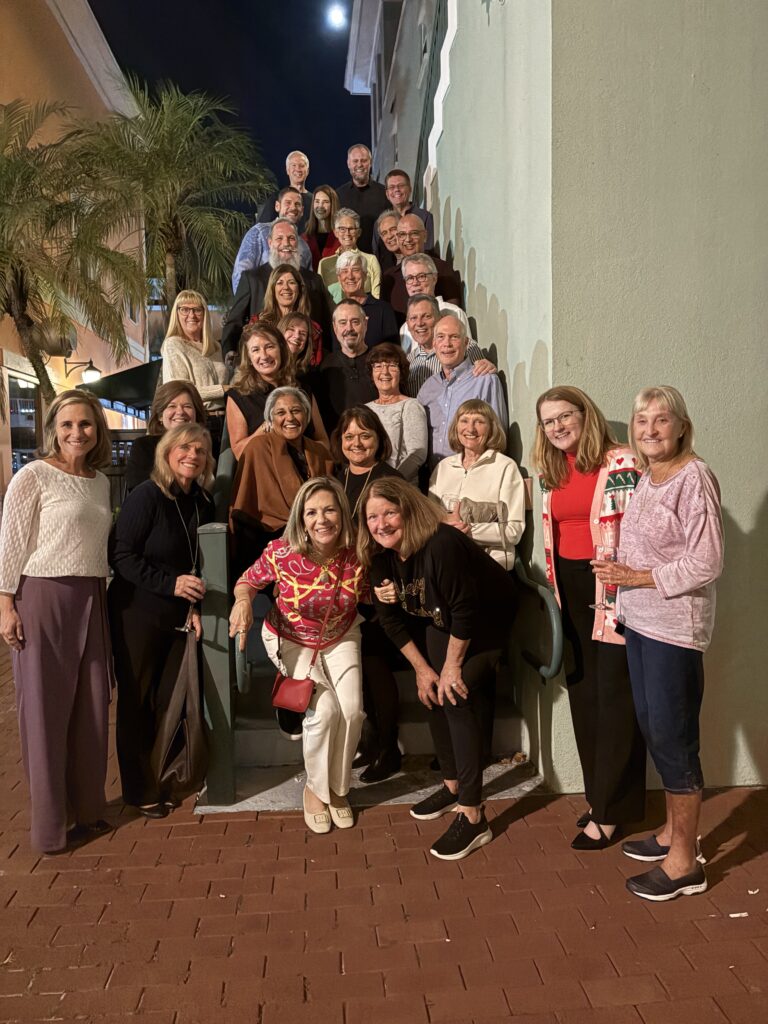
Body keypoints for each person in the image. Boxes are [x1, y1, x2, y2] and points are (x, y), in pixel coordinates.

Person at [593, 386, 723, 901]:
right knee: (654, 728)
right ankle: (672, 833)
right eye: (641, 421)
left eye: (661, 420)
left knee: (674, 738)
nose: (650, 430)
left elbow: (707, 561)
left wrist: (637, 576)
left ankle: (685, 864)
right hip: (642, 622)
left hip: (675, 629)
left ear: (682, 427)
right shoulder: (650, 474)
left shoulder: (695, 476)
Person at [360, 477, 517, 860]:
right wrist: (422, 669)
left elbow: (465, 610)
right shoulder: (380, 555)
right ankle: (451, 785)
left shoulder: (440, 545)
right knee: (430, 691)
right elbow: (391, 621)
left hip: (484, 622)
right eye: (372, 517)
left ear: (408, 511)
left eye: (390, 512)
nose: (381, 524)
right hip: (440, 620)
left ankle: (473, 814)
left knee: (454, 694)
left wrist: (450, 668)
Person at [532, 385, 646, 852]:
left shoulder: (621, 462)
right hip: (570, 590)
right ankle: (600, 797)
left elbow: (643, 527)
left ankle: (614, 811)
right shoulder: (549, 471)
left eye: (565, 416)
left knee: (615, 698)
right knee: (583, 695)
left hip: (612, 590)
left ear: (585, 414)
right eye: (548, 421)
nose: (557, 427)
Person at [0, 391, 114, 854]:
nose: (76, 433)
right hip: (42, 596)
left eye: (85, 424)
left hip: (92, 595)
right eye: (66, 425)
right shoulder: (33, 476)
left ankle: (88, 810)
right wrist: (5, 604)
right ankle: (52, 827)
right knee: (45, 713)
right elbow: (11, 543)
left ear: (97, 429)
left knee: (91, 708)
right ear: (53, 428)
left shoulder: (101, 480)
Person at [229, 477, 369, 833]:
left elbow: (368, 592)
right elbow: (247, 580)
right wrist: (244, 602)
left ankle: (338, 790)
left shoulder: (358, 552)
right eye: (312, 512)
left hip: (340, 634)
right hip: (291, 638)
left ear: (342, 513)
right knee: (325, 710)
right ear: (301, 520)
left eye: (329, 510)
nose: (321, 519)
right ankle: (314, 789)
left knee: (352, 709)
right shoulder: (281, 551)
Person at [108, 423, 214, 819]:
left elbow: (198, 563)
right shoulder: (146, 496)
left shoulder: (201, 500)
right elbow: (121, 556)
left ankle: (164, 773)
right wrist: (170, 585)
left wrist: (194, 606)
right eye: (184, 448)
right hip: (137, 611)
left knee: (168, 699)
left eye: (201, 450)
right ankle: (138, 789)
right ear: (167, 452)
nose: (193, 455)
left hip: (177, 616)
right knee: (138, 701)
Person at [229, 387, 334, 571]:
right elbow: (251, 509)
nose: (290, 418)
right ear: (270, 419)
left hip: (319, 537)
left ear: (307, 415)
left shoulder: (318, 451)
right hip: (269, 543)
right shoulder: (258, 447)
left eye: (296, 411)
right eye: (281, 412)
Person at [429, 400, 525, 569]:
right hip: (445, 561)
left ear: (491, 428)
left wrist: (469, 530)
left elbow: (514, 531)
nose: (470, 429)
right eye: (464, 421)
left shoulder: (505, 467)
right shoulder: (443, 467)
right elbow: (428, 519)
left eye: (479, 422)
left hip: (489, 565)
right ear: (456, 427)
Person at [222, 220, 334, 358]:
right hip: (264, 362)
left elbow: (325, 324)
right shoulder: (252, 279)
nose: (286, 243)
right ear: (270, 243)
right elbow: (235, 321)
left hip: (307, 366)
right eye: (279, 238)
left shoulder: (314, 280)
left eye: (291, 238)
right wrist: (230, 351)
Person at [226, 323, 328, 460]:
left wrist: (301, 447)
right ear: (249, 358)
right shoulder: (238, 395)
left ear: (281, 350)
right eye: (256, 350)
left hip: (308, 471)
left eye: (269, 347)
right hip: (265, 474)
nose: (264, 355)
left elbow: (324, 443)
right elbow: (239, 453)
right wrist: (266, 428)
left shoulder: (303, 390)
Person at [419, 314, 507, 468]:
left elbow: (498, 438)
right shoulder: (428, 387)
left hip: (475, 474)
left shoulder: (485, 380)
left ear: (466, 343)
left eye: (454, 337)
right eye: (440, 337)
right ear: (434, 344)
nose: (447, 344)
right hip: (434, 479)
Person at [161, 290, 228, 456]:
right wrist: (223, 389)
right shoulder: (174, 344)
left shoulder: (215, 348)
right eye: (184, 309)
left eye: (197, 309)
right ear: (176, 313)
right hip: (199, 422)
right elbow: (180, 393)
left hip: (227, 421)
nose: (191, 315)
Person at [404, 295, 493, 397]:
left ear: (439, 318)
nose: (419, 323)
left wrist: (487, 367)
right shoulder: (408, 361)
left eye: (427, 316)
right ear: (408, 324)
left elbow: (484, 378)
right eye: (413, 318)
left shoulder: (466, 347)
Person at [125, 381, 206, 492]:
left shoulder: (206, 448)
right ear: (160, 416)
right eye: (172, 406)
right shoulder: (144, 447)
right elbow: (138, 491)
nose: (180, 412)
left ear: (196, 414)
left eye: (187, 406)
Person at [365, 343, 428, 485]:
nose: (385, 372)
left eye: (392, 365)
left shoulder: (411, 406)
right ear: (371, 372)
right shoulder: (365, 410)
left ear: (401, 371)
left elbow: (418, 454)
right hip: (369, 489)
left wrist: (392, 483)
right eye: (378, 366)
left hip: (400, 489)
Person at [381, 215, 463, 319]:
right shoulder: (389, 277)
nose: (408, 239)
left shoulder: (442, 269)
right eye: (402, 235)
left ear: (425, 236)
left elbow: (452, 313)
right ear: (397, 238)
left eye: (414, 233)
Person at [313, 301, 378, 431]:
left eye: (355, 322)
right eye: (343, 323)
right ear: (334, 327)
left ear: (365, 324)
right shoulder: (325, 366)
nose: (349, 328)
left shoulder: (381, 362)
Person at [232, 187, 313, 291]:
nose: (293, 207)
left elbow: (308, 283)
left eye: (297, 204)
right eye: (288, 203)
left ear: (302, 210)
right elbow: (240, 274)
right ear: (277, 206)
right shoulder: (259, 232)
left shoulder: (304, 247)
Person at [331, 406, 402, 521]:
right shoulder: (336, 480)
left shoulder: (392, 480)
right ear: (340, 441)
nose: (357, 443)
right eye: (349, 437)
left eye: (365, 436)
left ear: (378, 439)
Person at [255, 263, 324, 366]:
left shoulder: (313, 328)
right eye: (280, 283)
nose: (286, 287)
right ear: (272, 289)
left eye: (291, 282)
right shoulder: (258, 323)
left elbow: (315, 366)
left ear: (299, 289)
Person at [399, 254, 469, 353]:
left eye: (421, 276)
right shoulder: (405, 327)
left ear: (434, 278)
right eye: (410, 278)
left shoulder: (454, 312)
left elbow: (468, 352)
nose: (415, 283)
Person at [332, 251, 399, 347]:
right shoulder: (337, 312)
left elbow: (392, 351)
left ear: (365, 275)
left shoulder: (384, 310)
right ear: (339, 278)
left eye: (355, 270)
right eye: (345, 271)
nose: (350, 276)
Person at [335, 144, 389, 251]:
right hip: (348, 260)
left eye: (363, 160)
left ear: (370, 163)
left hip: (380, 257)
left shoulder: (385, 193)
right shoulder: (338, 195)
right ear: (348, 164)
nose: (359, 164)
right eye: (355, 161)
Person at [318, 208, 381, 300]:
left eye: (351, 229)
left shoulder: (371, 260)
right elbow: (321, 298)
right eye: (342, 229)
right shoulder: (324, 264)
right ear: (335, 232)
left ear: (358, 232)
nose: (347, 233)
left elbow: (376, 297)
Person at [373, 169, 435, 253]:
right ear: (387, 194)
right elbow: (377, 253)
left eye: (401, 185)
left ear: (409, 189)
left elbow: (429, 250)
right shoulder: (380, 223)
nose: (396, 190)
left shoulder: (424, 216)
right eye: (392, 187)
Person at [256, 150, 312, 230]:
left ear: (308, 171)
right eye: (293, 165)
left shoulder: (315, 200)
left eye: (302, 165)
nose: (298, 169)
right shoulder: (276, 197)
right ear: (287, 170)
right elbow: (261, 229)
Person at [303, 185, 340, 270]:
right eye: (317, 201)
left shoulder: (341, 238)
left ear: (333, 205)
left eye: (325, 202)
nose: (320, 206)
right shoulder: (304, 238)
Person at [373, 208, 401, 273]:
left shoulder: (416, 258)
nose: (389, 236)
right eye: (384, 233)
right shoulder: (380, 264)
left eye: (393, 229)